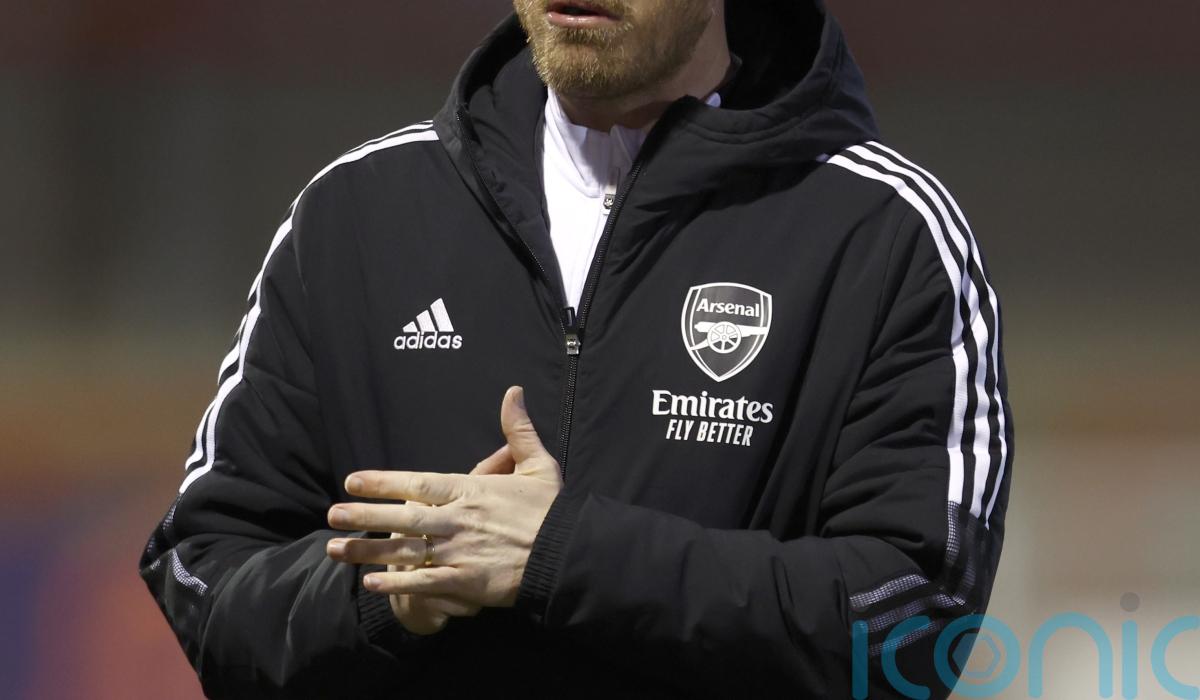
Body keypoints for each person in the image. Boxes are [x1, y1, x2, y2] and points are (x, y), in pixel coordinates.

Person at [138, 0, 1013, 697]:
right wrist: (387, 592)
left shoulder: (887, 235)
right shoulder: (354, 216)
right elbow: (205, 582)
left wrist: (566, 555)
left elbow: (914, 621)